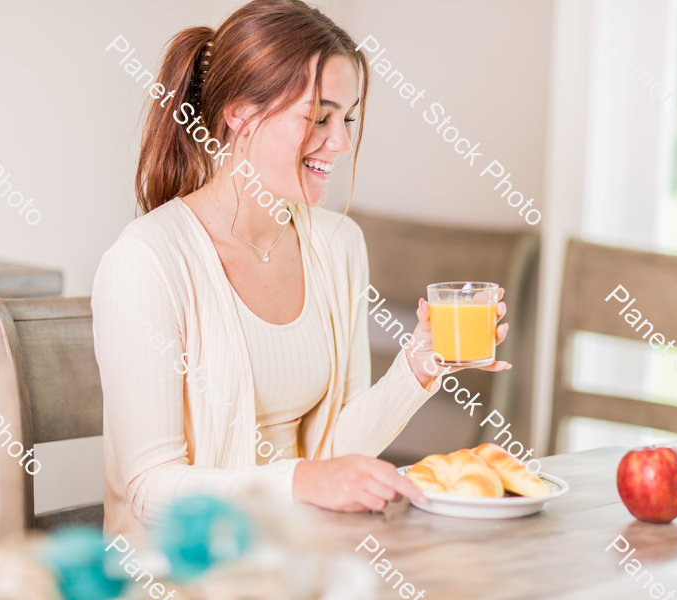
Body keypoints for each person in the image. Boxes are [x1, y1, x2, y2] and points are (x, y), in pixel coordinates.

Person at [91, 0, 510, 535]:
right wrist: (301, 483)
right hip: (183, 573)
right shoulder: (148, 259)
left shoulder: (338, 244)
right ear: (239, 112)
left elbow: (334, 451)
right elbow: (149, 489)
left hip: (296, 556)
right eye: (318, 117)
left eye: (349, 118)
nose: (340, 142)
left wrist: (421, 366)